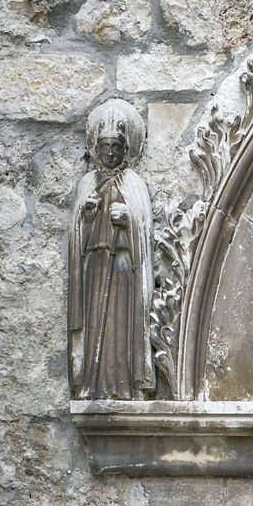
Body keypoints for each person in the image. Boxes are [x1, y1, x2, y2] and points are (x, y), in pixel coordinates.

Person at [68, 97, 156, 400]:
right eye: (104, 147)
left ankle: (124, 385)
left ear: (126, 148)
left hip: (122, 267)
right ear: (96, 148)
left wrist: (127, 219)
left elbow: (142, 229)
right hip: (94, 266)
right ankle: (90, 383)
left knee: (119, 328)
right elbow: (76, 234)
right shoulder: (87, 183)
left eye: (116, 147)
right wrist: (87, 214)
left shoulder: (134, 184)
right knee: (96, 328)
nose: (109, 153)